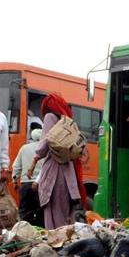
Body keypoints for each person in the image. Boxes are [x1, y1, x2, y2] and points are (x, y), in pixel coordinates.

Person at [27, 93, 87, 229]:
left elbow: (46, 142)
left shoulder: (49, 117)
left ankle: (57, 241)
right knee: (66, 211)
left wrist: (34, 160)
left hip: (55, 170)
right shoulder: (66, 122)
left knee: (53, 209)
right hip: (68, 172)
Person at [12, 128, 44, 226]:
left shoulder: (24, 148)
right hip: (40, 185)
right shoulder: (45, 149)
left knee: (24, 211)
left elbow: (16, 166)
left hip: (25, 184)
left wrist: (14, 181)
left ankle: (23, 231)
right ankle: (40, 233)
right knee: (41, 212)